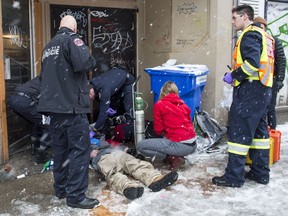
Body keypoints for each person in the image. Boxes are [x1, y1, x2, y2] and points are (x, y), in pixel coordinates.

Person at [38, 15, 99, 209]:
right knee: (80, 152)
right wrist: (90, 56)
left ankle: (61, 189)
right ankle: (76, 196)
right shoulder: (72, 39)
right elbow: (85, 63)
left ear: (59, 25)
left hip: (55, 111)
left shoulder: (48, 47)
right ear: (74, 27)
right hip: (72, 109)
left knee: (61, 152)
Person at [212, 5, 274, 187]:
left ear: (245, 16)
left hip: (250, 91)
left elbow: (252, 64)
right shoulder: (265, 35)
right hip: (263, 90)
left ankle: (234, 177)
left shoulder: (249, 34)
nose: (232, 22)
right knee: (259, 134)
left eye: (234, 18)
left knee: (239, 132)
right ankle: (260, 172)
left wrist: (234, 75)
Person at [136, 81, 197, 170]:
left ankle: (173, 157)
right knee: (168, 141)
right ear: (176, 92)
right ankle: (177, 156)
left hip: (179, 145)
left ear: (163, 92)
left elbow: (158, 130)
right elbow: (188, 123)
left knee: (140, 146)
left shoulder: (160, 105)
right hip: (192, 145)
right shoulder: (183, 105)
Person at [90, 139, 179, 200]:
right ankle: (128, 187)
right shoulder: (81, 142)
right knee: (112, 172)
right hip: (101, 158)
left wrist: (126, 149)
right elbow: (77, 155)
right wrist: (88, 153)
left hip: (116, 153)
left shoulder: (101, 139)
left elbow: (115, 144)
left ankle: (154, 179)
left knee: (133, 162)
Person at [8, 76, 51, 163]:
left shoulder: (41, 78)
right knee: (49, 123)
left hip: (14, 100)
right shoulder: (50, 80)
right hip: (24, 101)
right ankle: (40, 154)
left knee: (34, 121)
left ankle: (34, 147)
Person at [254, 16, 287, 130]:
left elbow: (281, 60)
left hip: (271, 80)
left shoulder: (273, 41)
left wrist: (279, 79)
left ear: (264, 27)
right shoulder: (254, 41)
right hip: (257, 81)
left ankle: (272, 132)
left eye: (260, 26)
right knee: (258, 108)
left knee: (270, 108)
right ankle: (260, 132)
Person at [90, 68, 135, 132]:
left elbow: (103, 112)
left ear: (91, 92)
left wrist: (94, 129)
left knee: (128, 107)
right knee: (111, 107)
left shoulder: (104, 91)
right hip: (116, 79)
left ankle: (130, 129)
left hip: (127, 80)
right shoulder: (92, 83)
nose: (89, 100)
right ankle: (109, 127)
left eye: (89, 97)